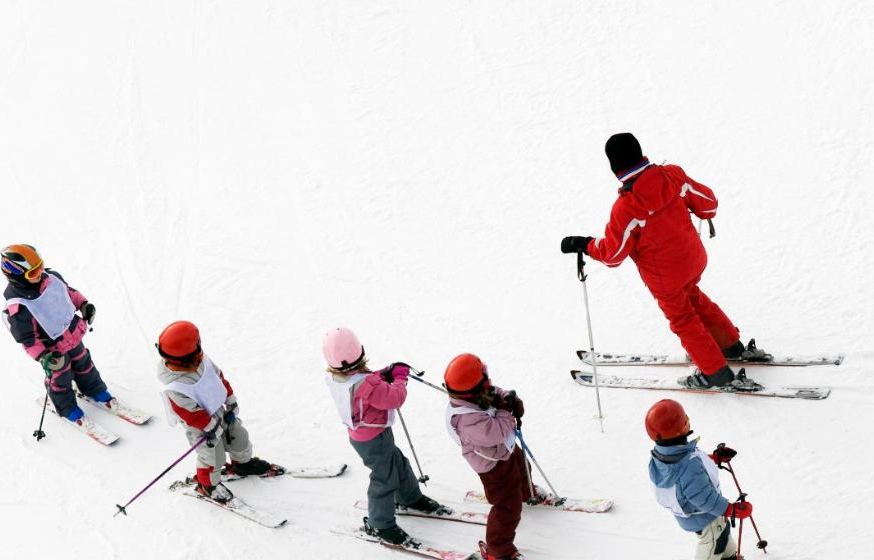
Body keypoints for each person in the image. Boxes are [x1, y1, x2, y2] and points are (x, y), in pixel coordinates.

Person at [560, 133, 770, 390]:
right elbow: (709, 204)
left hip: (666, 278)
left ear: (614, 168)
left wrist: (584, 244)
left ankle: (715, 373)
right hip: (694, 259)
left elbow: (613, 255)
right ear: (640, 153)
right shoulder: (672, 176)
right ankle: (730, 346)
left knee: (683, 319)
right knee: (694, 297)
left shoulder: (627, 208)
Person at [322, 327, 445, 546]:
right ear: (361, 353)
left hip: (365, 436)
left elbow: (363, 380)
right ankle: (381, 524)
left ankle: (410, 497)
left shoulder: (337, 378)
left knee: (398, 463)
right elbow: (394, 397)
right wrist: (399, 377)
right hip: (373, 438)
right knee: (385, 477)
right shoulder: (367, 384)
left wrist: (383, 373)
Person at [443, 353, 551, 560]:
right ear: (475, 388)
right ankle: (498, 550)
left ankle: (527, 493)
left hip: (505, 450)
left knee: (522, 469)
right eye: (486, 380)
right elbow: (497, 431)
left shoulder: (476, 393)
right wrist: (506, 411)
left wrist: (507, 398)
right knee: (507, 507)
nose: (490, 383)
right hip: (492, 466)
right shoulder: (466, 420)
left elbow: (494, 393)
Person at [0, 244, 122, 424]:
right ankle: (66, 407)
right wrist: (44, 357)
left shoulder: (52, 279)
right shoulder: (18, 306)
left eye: (40, 266)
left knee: (84, 362)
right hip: (52, 350)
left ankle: (94, 389)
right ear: (17, 277)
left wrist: (83, 304)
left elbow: (69, 293)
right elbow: (28, 340)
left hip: (71, 334)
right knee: (60, 378)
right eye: (33, 273)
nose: (40, 273)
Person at [155, 320, 276, 503]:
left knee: (240, 437)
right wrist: (211, 426)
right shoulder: (175, 386)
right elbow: (190, 413)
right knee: (213, 457)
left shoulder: (202, 361)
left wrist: (230, 400)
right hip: (203, 429)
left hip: (221, 413)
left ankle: (242, 465)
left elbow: (218, 379)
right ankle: (208, 486)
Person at [646, 399, 746, 559]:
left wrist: (713, 459)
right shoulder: (688, 466)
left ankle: (729, 557)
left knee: (723, 535)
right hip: (706, 516)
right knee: (713, 543)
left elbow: (684, 473)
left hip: (694, 513)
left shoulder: (665, 454)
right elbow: (704, 498)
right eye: (685, 420)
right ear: (679, 430)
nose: (687, 421)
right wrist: (731, 510)